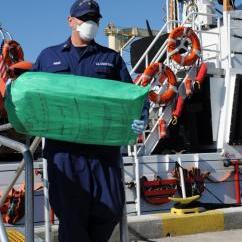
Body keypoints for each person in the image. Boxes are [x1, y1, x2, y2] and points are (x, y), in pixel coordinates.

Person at [32, 1, 149, 242]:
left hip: (102, 154)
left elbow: (132, 98)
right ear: (70, 20)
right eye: (85, 18)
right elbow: (34, 96)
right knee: (72, 218)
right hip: (64, 155)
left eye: (95, 19)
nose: (91, 23)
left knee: (110, 210)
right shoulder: (48, 57)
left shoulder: (111, 58)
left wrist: (141, 117)